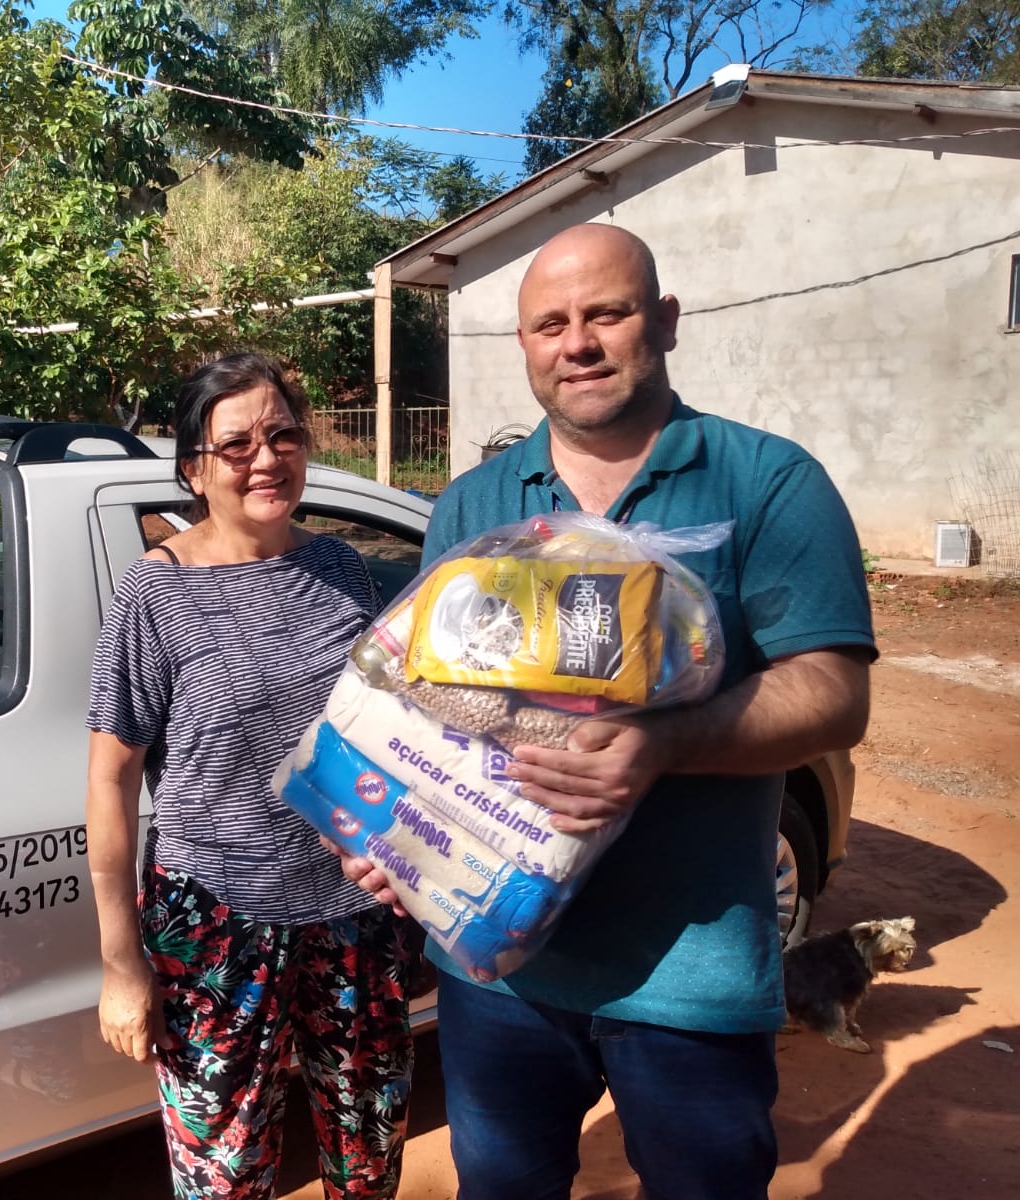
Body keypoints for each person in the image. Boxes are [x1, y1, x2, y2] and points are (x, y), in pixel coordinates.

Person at [335, 223, 877, 1200]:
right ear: (524, 347)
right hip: (497, 970)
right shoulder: (472, 504)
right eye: (550, 324)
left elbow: (834, 693)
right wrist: (392, 835)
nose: (575, 342)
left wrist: (658, 749)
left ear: (662, 322)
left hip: (689, 974)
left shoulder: (763, 482)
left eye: (605, 313)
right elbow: (432, 710)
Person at [85, 353, 415, 1200]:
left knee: (370, 1150)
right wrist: (121, 963)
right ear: (194, 469)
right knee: (222, 1170)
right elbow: (112, 781)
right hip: (217, 926)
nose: (265, 459)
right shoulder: (153, 596)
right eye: (236, 446)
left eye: (282, 436)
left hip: (351, 915)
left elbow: (376, 732)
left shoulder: (340, 568)